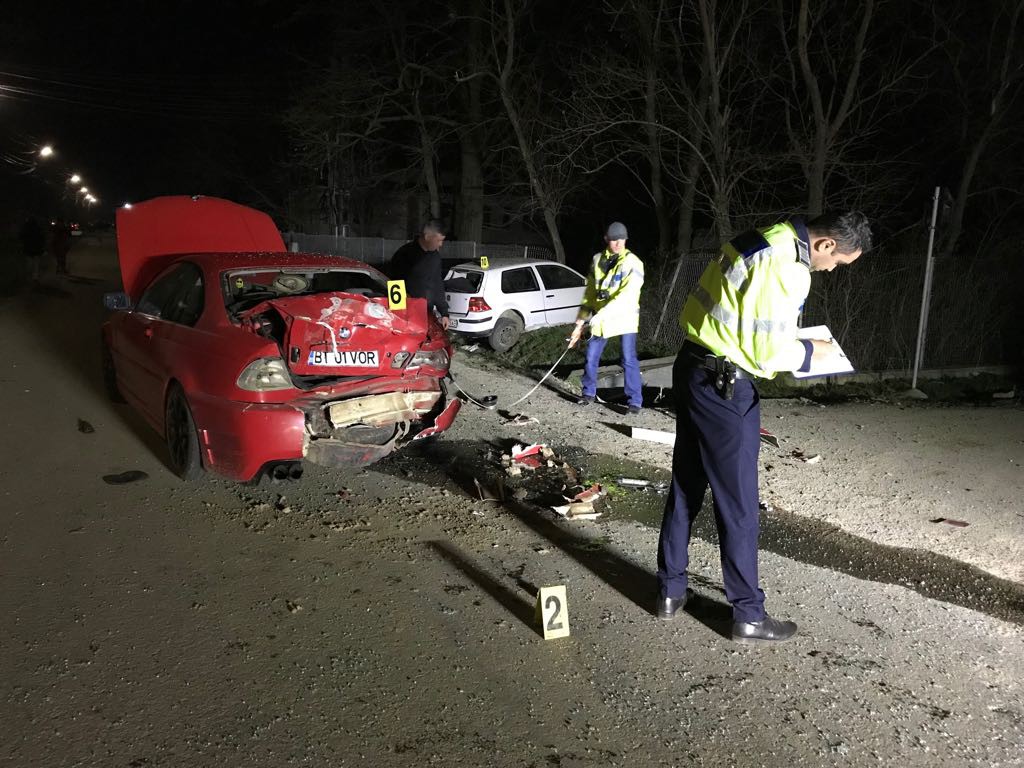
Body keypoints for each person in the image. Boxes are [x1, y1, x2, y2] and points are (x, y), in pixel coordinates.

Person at [656, 211, 872, 643]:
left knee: (685, 485)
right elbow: (770, 353)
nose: (832, 270)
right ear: (827, 244)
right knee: (738, 506)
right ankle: (748, 616)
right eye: (839, 262)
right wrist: (814, 354)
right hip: (725, 384)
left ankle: (669, 592)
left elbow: (736, 313)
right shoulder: (789, 268)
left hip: (693, 365)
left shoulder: (763, 236)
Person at [569, 221, 645, 414]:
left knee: (628, 359)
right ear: (606, 240)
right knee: (591, 356)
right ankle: (588, 394)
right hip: (601, 319)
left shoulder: (633, 263)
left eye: (621, 239)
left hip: (624, 318)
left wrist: (599, 316)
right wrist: (580, 321)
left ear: (626, 240)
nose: (618, 243)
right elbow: (590, 293)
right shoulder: (597, 260)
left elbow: (626, 296)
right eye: (613, 240)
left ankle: (634, 402)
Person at [389, 219, 450, 330]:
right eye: (438, 240)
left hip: (427, 312)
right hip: (407, 314)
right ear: (427, 237)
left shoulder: (435, 257)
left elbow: (437, 284)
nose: (440, 245)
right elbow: (394, 283)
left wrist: (444, 312)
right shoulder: (404, 255)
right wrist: (398, 314)